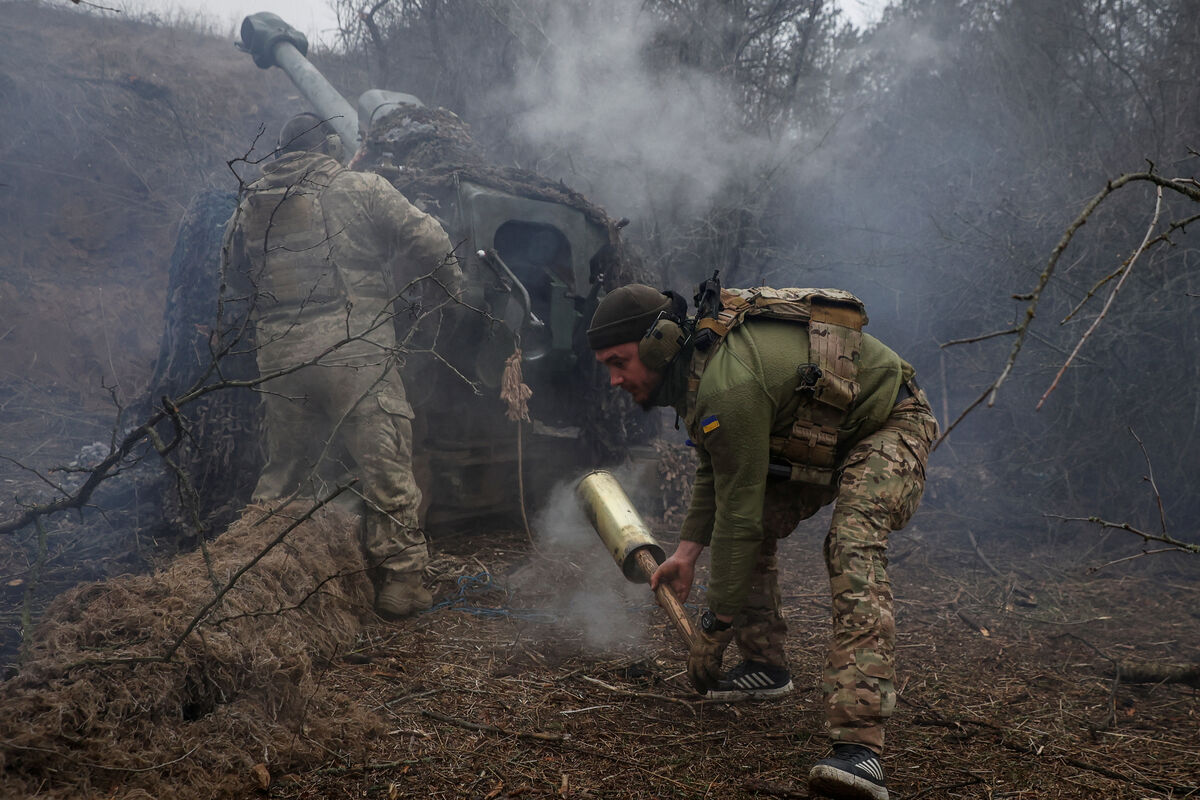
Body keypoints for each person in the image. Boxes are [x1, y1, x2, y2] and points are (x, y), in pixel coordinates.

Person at [588, 282, 937, 800]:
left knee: (850, 546)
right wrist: (685, 554)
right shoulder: (697, 375)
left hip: (890, 423)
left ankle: (860, 747)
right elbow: (718, 469)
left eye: (619, 362)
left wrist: (715, 624)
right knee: (752, 529)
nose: (614, 379)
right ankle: (765, 666)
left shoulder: (727, 384)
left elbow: (740, 515)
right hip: (823, 437)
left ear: (659, 343)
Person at [222, 113, 462, 619]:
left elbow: (231, 280)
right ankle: (401, 583)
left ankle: (247, 575)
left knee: (285, 471)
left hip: (281, 357)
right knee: (384, 465)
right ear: (330, 146)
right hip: (355, 354)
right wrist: (454, 289)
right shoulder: (360, 187)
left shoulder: (250, 205)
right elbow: (432, 241)